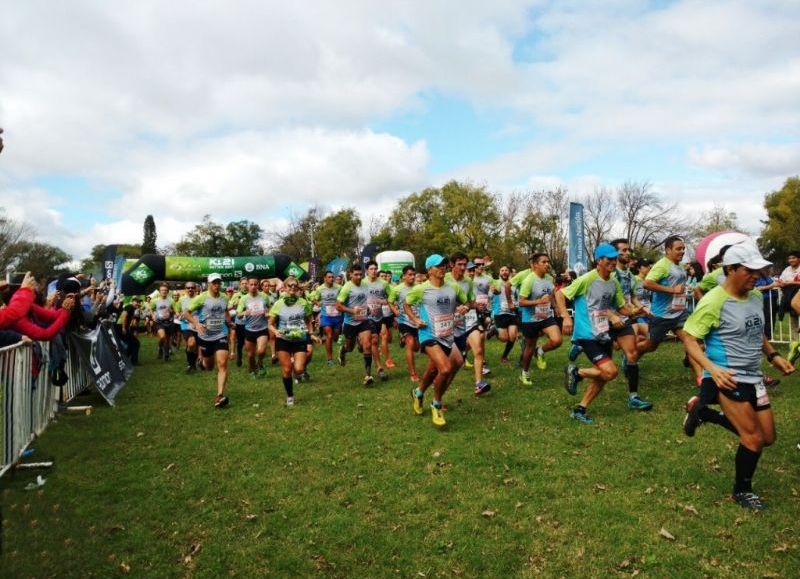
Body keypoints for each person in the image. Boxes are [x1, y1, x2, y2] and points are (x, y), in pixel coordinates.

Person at [682, 243, 795, 510]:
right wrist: (713, 369)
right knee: (753, 439)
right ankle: (741, 491)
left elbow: (759, 333)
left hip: (754, 376)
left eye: (759, 270)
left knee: (767, 438)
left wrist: (773, 356)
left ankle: (704, 413)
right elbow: (689, 338)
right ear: (731, 269)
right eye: (750, 270)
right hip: (729, 377)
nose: (757, 275)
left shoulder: (754, 296)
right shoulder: (713, 301)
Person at [556, 244, 641, 425]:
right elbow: (560, 295)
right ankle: (576, 372)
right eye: (608, 259)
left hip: (603, 332)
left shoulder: (614, 281)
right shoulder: (587, 279)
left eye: (614, 259)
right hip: (586, 334)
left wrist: (636, 311)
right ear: (599, 260)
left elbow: (621, 308)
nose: (613, 262)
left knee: (603, 375)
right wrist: (566, 318)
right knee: (610, 372)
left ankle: (580, 408)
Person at [405, 254, 470, 428]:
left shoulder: (453, 287)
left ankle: (418, 393)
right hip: (428, 335)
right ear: (429, 270)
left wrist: (464, 307)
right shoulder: (421, 289)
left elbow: (468, 302)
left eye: (443, 265)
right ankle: (436, 404)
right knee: (446, 368)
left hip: (447, 335)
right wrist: (415, 320)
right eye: (438, 266)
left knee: (434, 370)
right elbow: (406, 304)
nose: (442, 268)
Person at [638, 236, 703, 383]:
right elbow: (647, 283)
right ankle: (631, 356)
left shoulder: (679, 266)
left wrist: (683, 294)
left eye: (683, 249)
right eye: (678, 249)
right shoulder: (662, 265)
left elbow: (678, 286)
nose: (682, 251)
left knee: (690, 341)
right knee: (651, 346)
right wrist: (672, 290)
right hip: (662, 315)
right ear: (668, 250)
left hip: (679, 312)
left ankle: (701, 378)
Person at [184, 273, 234, 408]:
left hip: (221, 334)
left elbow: (225, 312)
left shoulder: (224, 297)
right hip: (205, 337)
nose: (217, 285)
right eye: (214, 283)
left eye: (219, 283)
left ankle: (219, 395)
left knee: (223, 363)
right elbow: (186, 312)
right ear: (209, 283)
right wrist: (196, 323)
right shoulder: (202, 297)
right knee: (209, 366)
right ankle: (201, 361)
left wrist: (229, 322)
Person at [268, 277, 319, 406]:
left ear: (297, 288)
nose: (292, 288)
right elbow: (270, 323)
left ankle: (296, 374)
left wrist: (311, 334)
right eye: (289, 286)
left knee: (299, 369)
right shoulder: (278, 304)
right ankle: (290, 395)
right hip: (283, 339)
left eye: (295, 286)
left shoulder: (303, 303)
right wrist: (275, 332)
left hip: (299, 339)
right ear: (284, 288)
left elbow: (309, 320)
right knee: (286, 369)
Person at [445, 253, 490, 396]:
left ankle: (479, 384)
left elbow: (470, 301)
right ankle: (439, 390)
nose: (463, 268)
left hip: (468, 321)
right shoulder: (443, 279)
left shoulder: (468, 282)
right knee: (449, 365)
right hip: (447, 324)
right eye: (460, 264)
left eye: (465, 264)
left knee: (478, 349)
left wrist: (475, 305)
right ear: (452, 264)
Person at [518, 253, 562, 386]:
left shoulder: (549, 278)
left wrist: (556, 307)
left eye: (547, 262)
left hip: (545, 316)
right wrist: (537, 301)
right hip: (530, 319)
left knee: (557, 340)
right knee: (529, 347)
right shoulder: (529, 280)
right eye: (543, 262)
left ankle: (540, 351)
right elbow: (521, 302)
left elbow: (551, 295)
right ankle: (524, 373)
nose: (547, 264)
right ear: (536, 264)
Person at [336, 264, 376, 385]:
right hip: (350, 323)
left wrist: (367, 308)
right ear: (350, 274)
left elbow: (363, 301)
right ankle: (342, 351)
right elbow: (338, 306)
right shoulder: (346, 288)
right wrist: (352, 311)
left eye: (360, 274)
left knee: (367, 345)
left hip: (363, 320)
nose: (359, 277)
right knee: (350, 348)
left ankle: (368, 375)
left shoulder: (365, 285)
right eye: (356, 274)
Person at [388, 265, 420, 382]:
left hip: (417, 321)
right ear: (404, 276)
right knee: (410, 344)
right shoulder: (397, 289)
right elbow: (390, 301)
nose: (412, 277)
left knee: (418, 347)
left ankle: (402, 339)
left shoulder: (419, 287)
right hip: (404, 321)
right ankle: (413, 373)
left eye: (413, 274)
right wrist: (395, 310)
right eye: (410, 275)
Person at [237, 277, 271, 378]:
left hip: (262, 328)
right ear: (247, 285)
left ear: (258, 286)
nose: (253, 286)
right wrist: (244, 312)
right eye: (251, 284)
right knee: (251, 355)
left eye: (255, 284)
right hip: (249, 329)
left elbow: (270, 308)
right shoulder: (244, 299)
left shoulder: (264, 296)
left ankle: (260, 363)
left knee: (261, 351)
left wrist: (268, 313)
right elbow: (238, 314)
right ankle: (253, 369)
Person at [311, 271, 342, 366]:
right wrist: (317, 303)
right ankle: (330, 359)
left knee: (335, 337)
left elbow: (344, 298)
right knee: (328, 335)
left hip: (337, 315)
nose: (331, 279)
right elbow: (313, 298)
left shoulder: (339, 288)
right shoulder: (320, 289)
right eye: (329, 277)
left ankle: (341, 351)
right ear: (325, 278)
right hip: (326, 316)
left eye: (332, 277)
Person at [490, 265, 519, 365]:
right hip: (500, 313)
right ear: (499, 273)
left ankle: (505, 356)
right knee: (504, 339)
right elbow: (490, 296)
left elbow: (517, 297)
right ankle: (494, 330)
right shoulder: (495, 283)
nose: (504, 272)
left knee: (513, 336)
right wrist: (493, 291)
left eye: (506, 270)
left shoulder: (514, 285)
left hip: (512, 313)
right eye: (502, 270)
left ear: (509, 273)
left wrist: (516, 305)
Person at [777, 250, 800, 363]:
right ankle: (795, 346)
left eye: (793, 258)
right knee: (794, 324)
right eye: (789, 258)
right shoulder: (787, 269)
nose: (791, 260)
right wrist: (782, 283)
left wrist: (790, 283)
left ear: (799, 259)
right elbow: (780, 280)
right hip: (790, 299)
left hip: (797, 299)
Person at [175, 283, 199, 372]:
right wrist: (179, 315)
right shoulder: (181, 300)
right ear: (185, 289)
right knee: (191, 343)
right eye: (188, 288)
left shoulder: (199, 299)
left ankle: (193, 364)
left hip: (197, 324)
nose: (190, 289)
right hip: (186, 325)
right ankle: (190, 364)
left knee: (195, 346)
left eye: (192, 287)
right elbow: (177, 311)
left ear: (195, 289)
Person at [151, 284, 175, 361]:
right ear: (159, 291)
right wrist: (153, 316)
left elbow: (175, 310)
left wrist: (171, 311)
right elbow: (151, 309)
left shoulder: (171, 300)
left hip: (169, 322)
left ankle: (166, 355)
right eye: (162, 290)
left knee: (167, 340)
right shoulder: (155, 300)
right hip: (159, 322)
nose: (164, 291)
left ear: (167, 291)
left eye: (165, 290)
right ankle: (161, 349)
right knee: (162, 337)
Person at [119, 297, 141, 365]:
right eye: (136, 302)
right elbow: (123, 315)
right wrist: (123, 327)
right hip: (121, 327)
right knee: (136, 343)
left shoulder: (132, 308)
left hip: (123, 328)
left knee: (131, 343)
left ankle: (125, 360)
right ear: (132, 301)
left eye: (138, 302)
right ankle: (133, 361)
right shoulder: (130, 307)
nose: (137, 303)